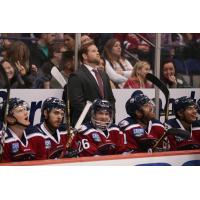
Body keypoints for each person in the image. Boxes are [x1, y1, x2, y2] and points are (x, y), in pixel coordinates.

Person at [67, 41, 115, 127]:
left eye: (97, 51)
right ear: (84, 56)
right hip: (85, 125)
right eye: (93, 51)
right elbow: (77, 103)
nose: (97, 53)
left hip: (106, 123)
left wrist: (110, 117)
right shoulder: (76, 76)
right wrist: (96, 117)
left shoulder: (104, 74)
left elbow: (111, 99)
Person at [1, 98, 35, 162]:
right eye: (20, 111)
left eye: (25, 110)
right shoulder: (4, 140)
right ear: (9, 119)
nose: (26, 113)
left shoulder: (33, 135)